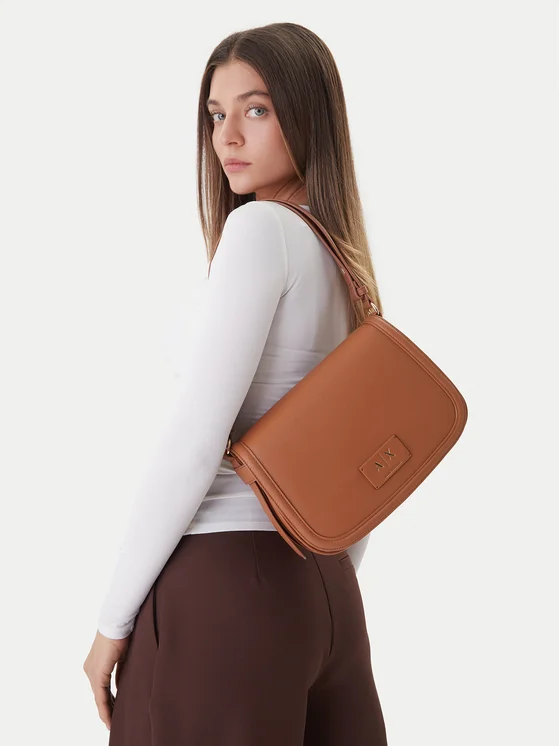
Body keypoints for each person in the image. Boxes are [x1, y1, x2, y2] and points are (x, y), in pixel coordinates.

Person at [83, 21, 387, 746]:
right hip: (325, 589)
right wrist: (323, 577)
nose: (228, 137)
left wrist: (111, 623)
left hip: (224, 587)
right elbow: (359, 459)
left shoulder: (261, 231)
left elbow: (196, 444)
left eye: (257, 109)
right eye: (216, 115)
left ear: (307, 115)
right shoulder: (343, 259)